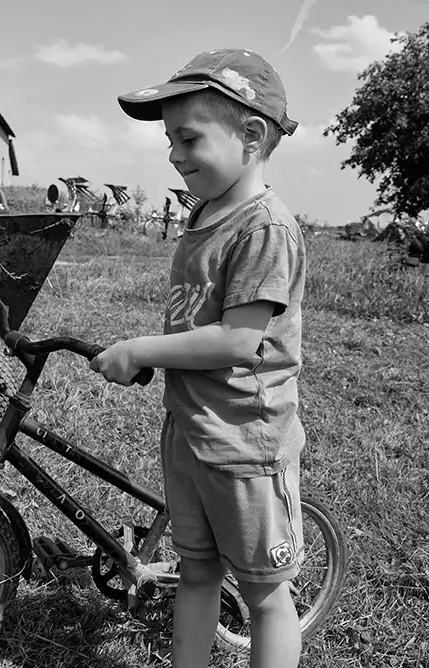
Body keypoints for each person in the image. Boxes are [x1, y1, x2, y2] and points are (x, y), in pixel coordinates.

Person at [90, 49, 307, 668]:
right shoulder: (208, 214)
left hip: (245, 442)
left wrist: (140, 349)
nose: (175, 155)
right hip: (190, 429)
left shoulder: (264, 228)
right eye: (170, 142)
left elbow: (239, 341)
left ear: (251, 135)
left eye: (188, 138)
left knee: (265, 593)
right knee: (196, 572)